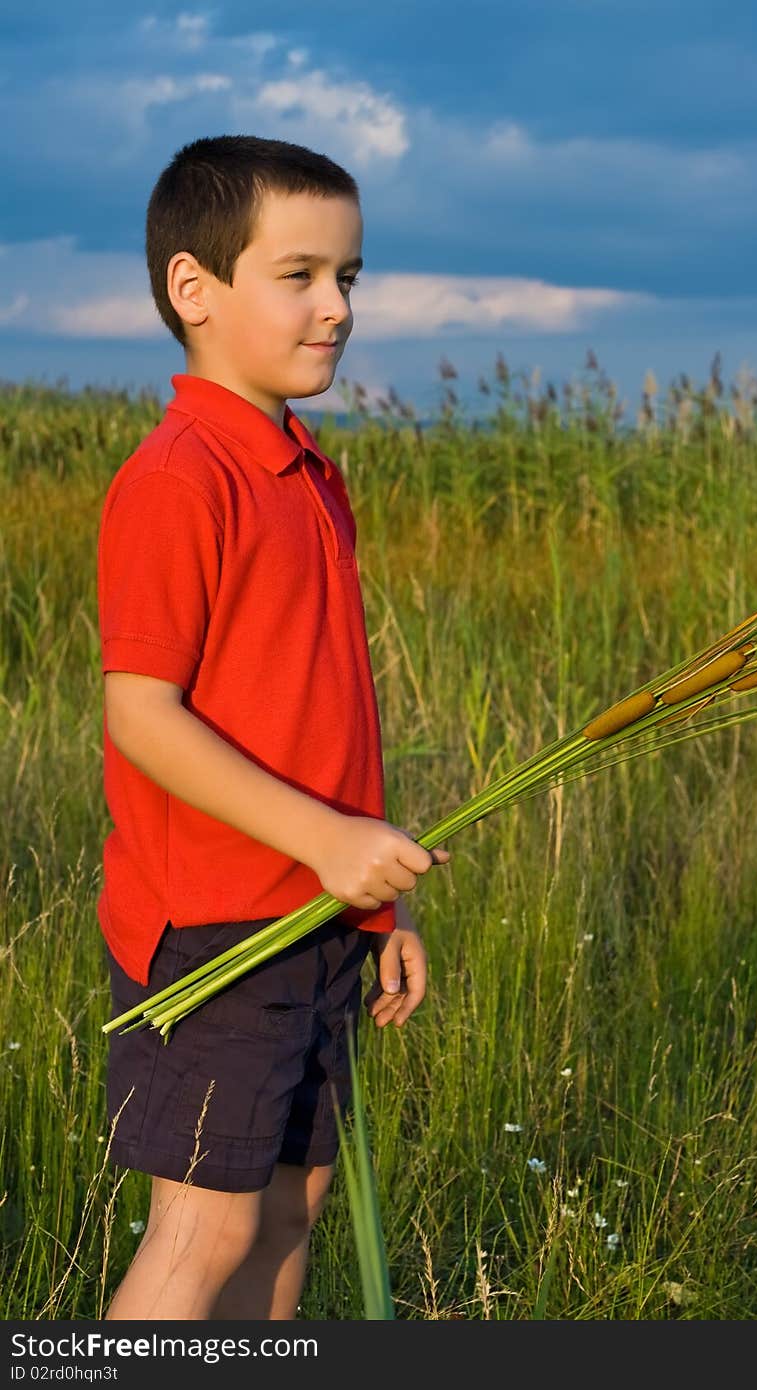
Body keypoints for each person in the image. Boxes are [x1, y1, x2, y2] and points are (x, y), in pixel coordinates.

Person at [96, 133, 450, 1321]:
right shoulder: (179, 475)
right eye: (298, 275)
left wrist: (372, 898)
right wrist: (326, 841)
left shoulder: (304, 469)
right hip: (214, 928)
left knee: (292, 1202)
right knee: (207, 1224)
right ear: (194, 288)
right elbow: (142, 714)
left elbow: (331, 724)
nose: (336, 307)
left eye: (348, 276)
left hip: (315, 915)